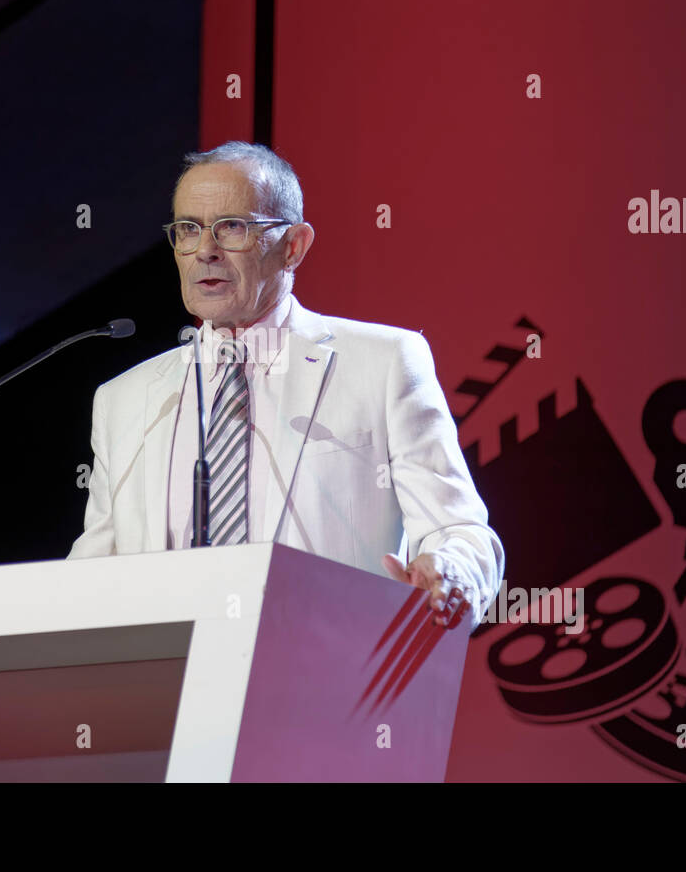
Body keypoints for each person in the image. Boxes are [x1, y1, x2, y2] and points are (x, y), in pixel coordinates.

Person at [68, 141, 503, 629]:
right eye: (188, 230)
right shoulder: (123, 400)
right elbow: (92, 575)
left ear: (292, 246)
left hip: (324, 676)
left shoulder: (382, 364)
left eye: (231, 227)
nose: (204, 250)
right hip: (164, 687)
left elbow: (460, 530)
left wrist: (450, 573)